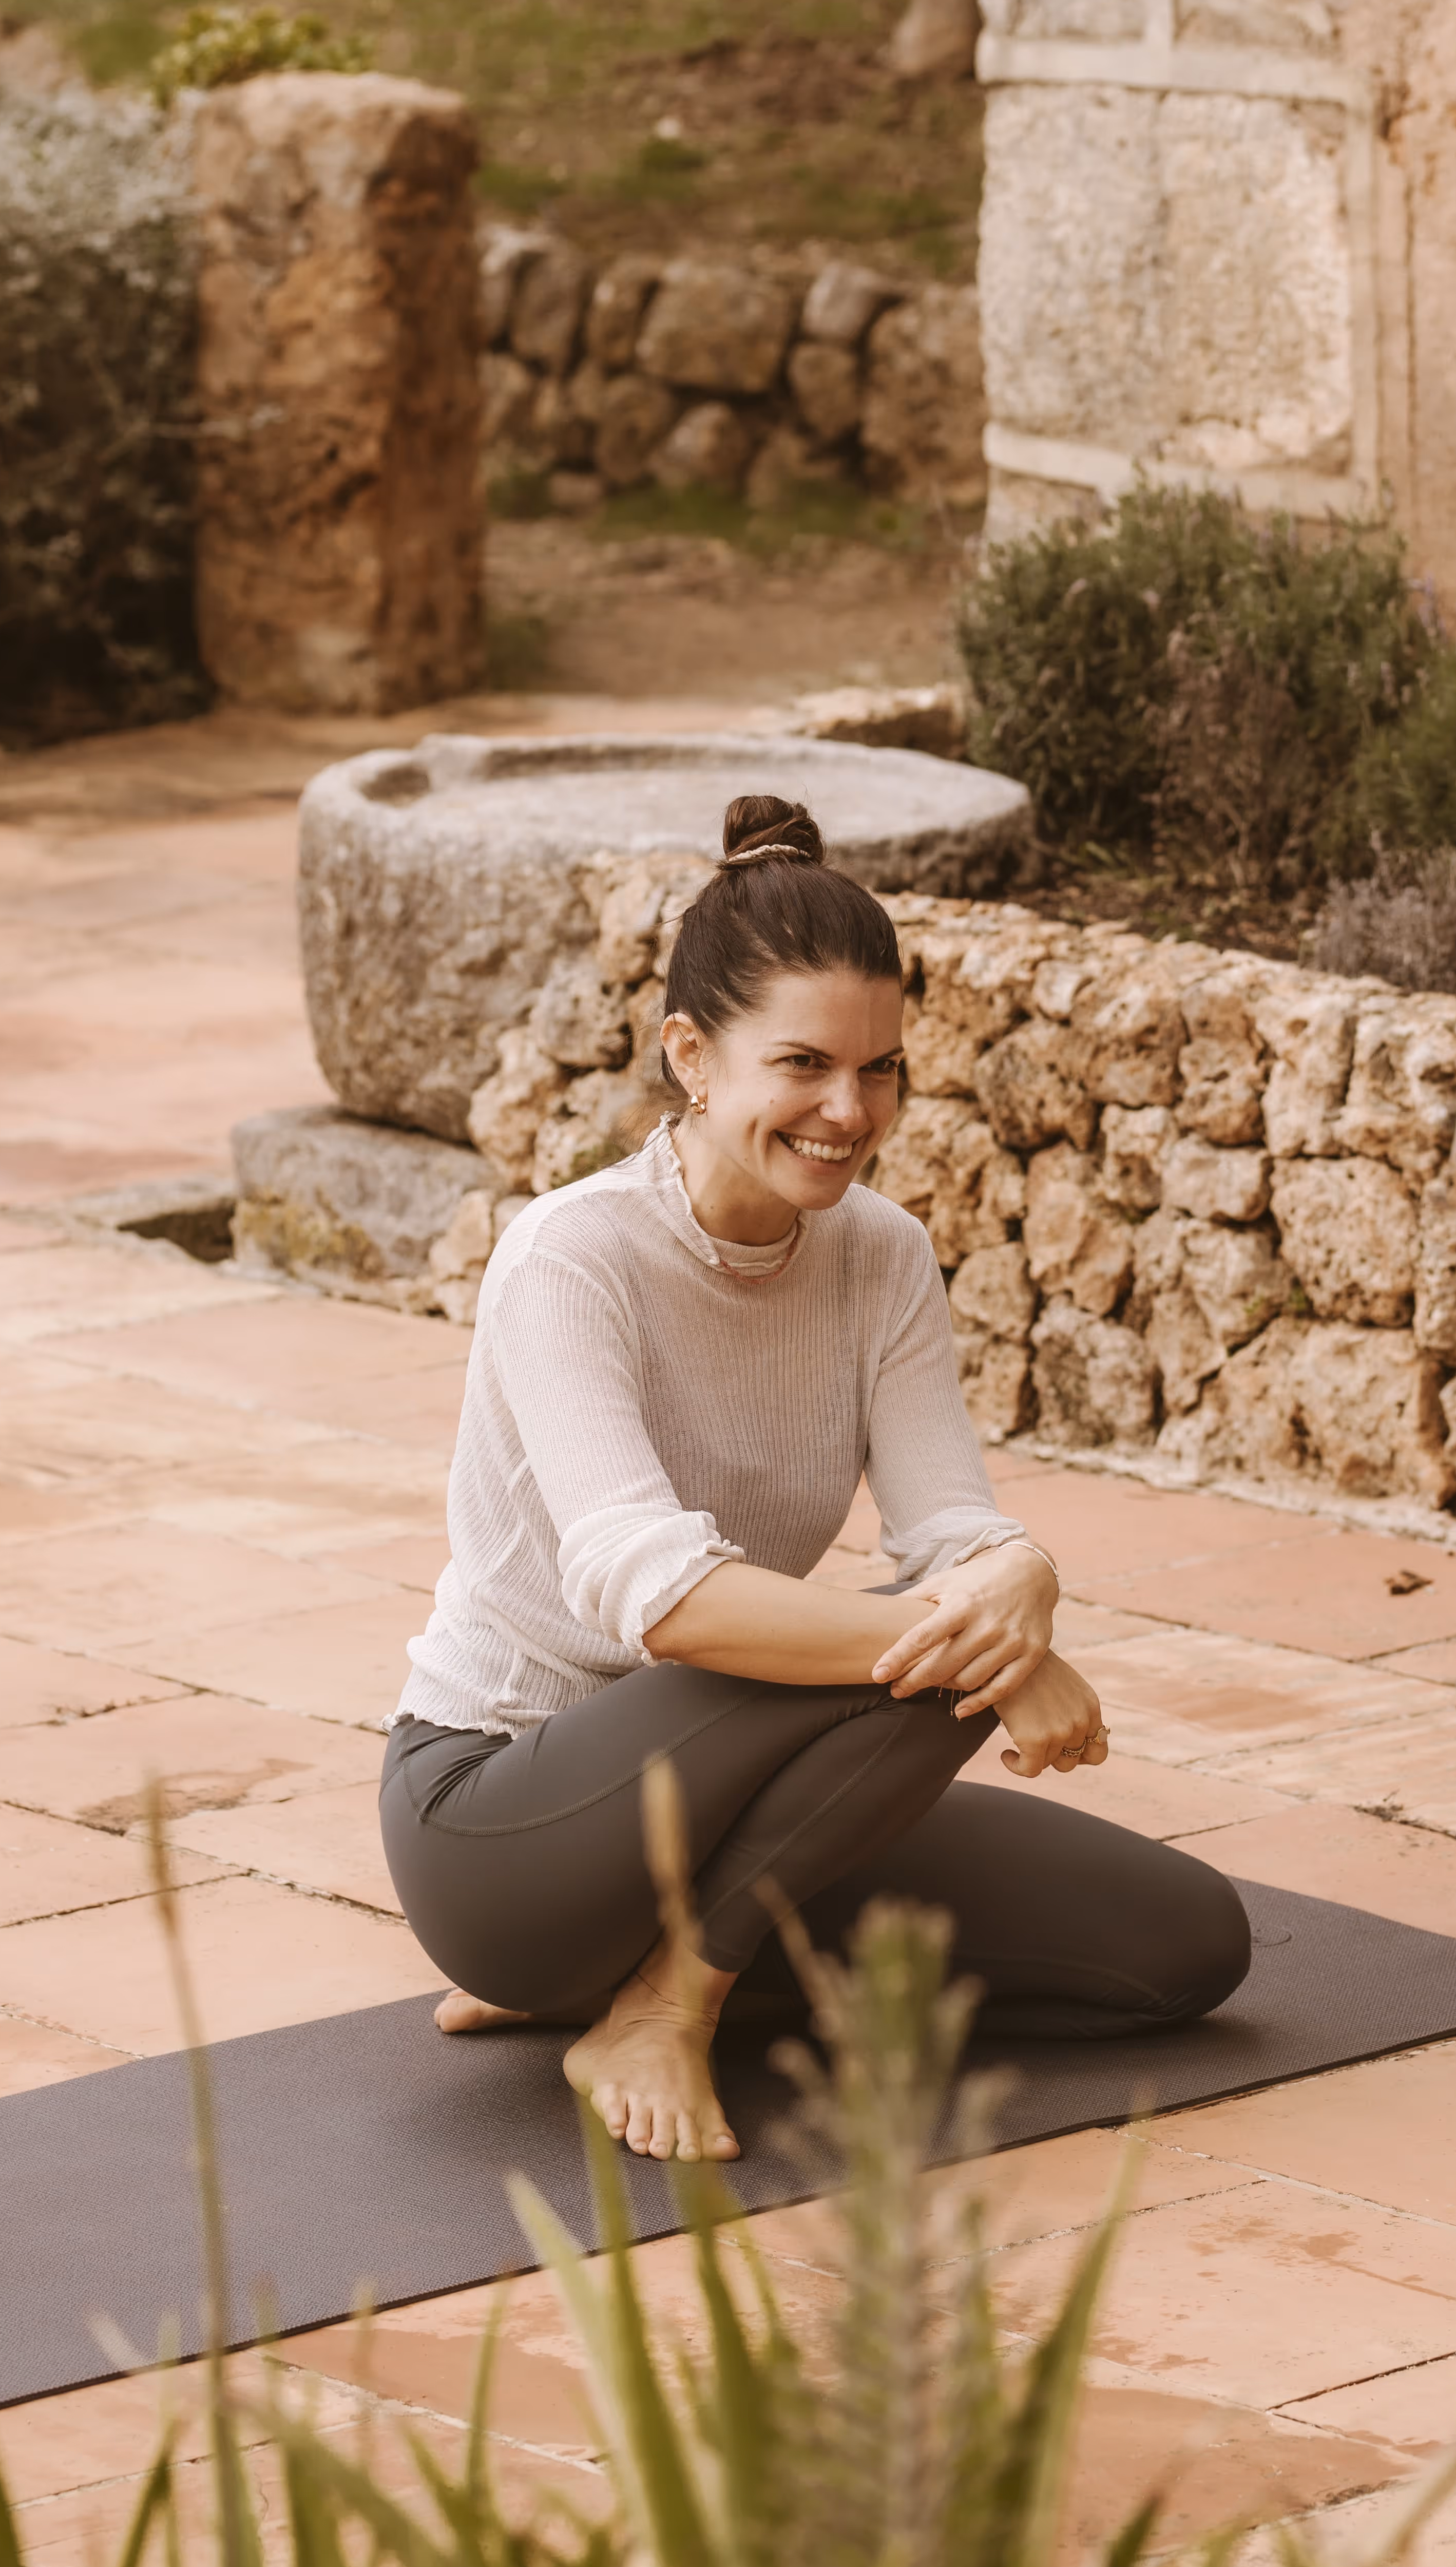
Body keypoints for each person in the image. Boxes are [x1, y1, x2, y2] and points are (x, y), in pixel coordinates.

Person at [378, 792, 1254, 2163]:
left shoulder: (878, 1255)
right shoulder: (570, 1259)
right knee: (940, 1658)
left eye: (881, 1068)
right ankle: (656, 1999)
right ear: (691, 1055)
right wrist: (989, 1635)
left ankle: (635, 1959)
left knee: (1183, 1946)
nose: (849, 1111)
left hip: (730, 1794)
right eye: (802, 1065)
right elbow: (656, 1600)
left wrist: (1021, 1577)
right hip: (501, 1823)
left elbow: (948, 1527)